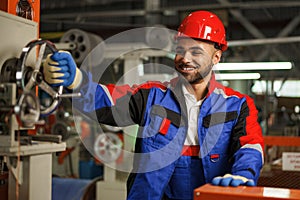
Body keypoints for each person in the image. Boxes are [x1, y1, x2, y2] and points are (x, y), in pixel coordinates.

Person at [43, 10, 264, 200]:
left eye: (196, 52)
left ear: (216, 57)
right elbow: (107, 100)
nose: (185, 58)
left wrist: (244, 174)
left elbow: (250, 146)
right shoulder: (151, 97)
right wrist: (77, 81)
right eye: (180, 50)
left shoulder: (237, 106)